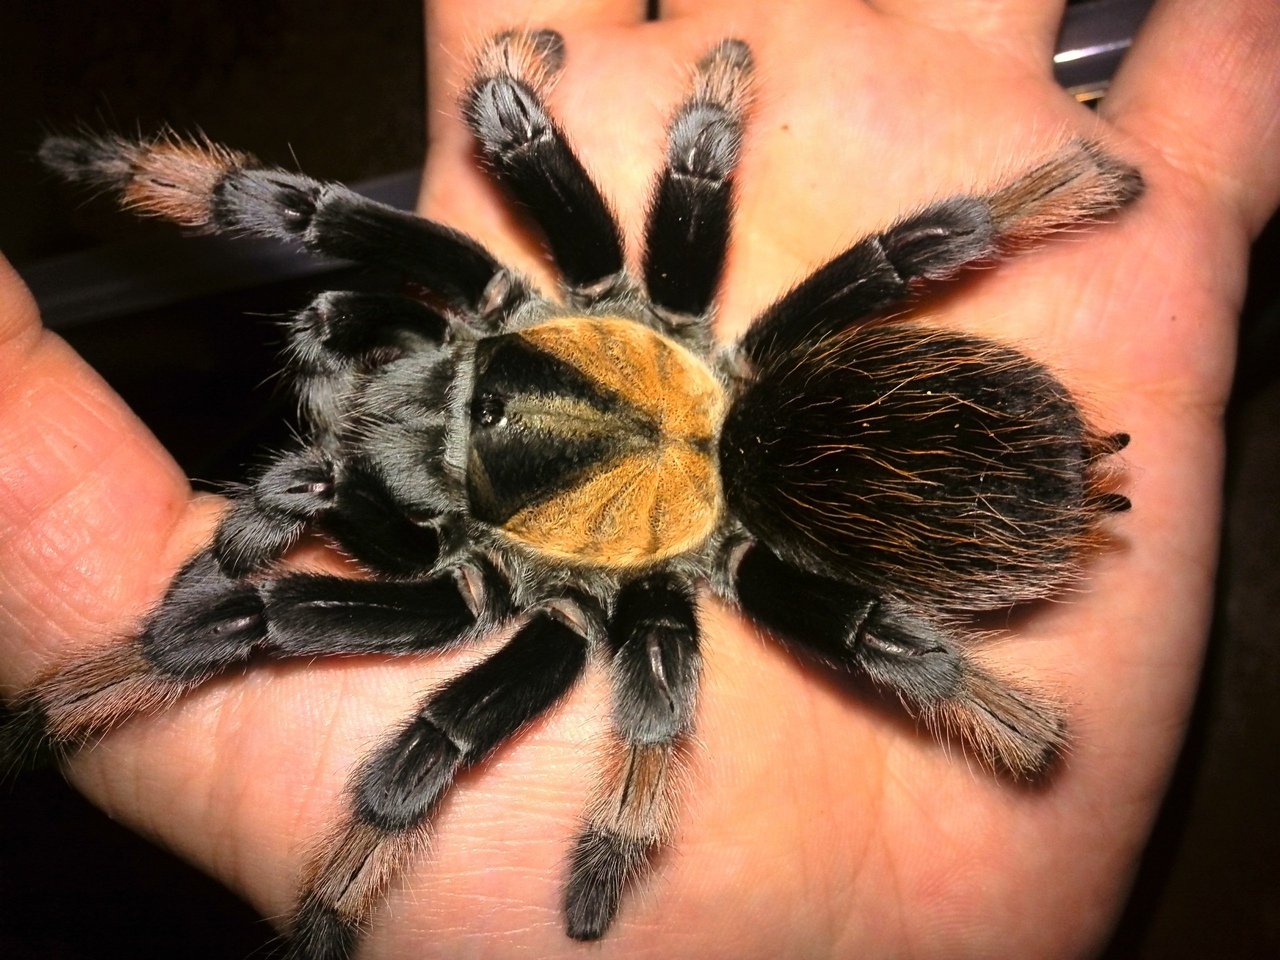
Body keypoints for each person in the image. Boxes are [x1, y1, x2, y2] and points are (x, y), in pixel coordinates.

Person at [2, 0, 1277, 956]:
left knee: (285, 625)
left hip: (852, 463)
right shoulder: (632, 300)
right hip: (791, 413)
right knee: (887, 264)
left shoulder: (541, 485)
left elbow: (562, 730)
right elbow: (606, 132)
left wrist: (592, 830)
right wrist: (531, 93)